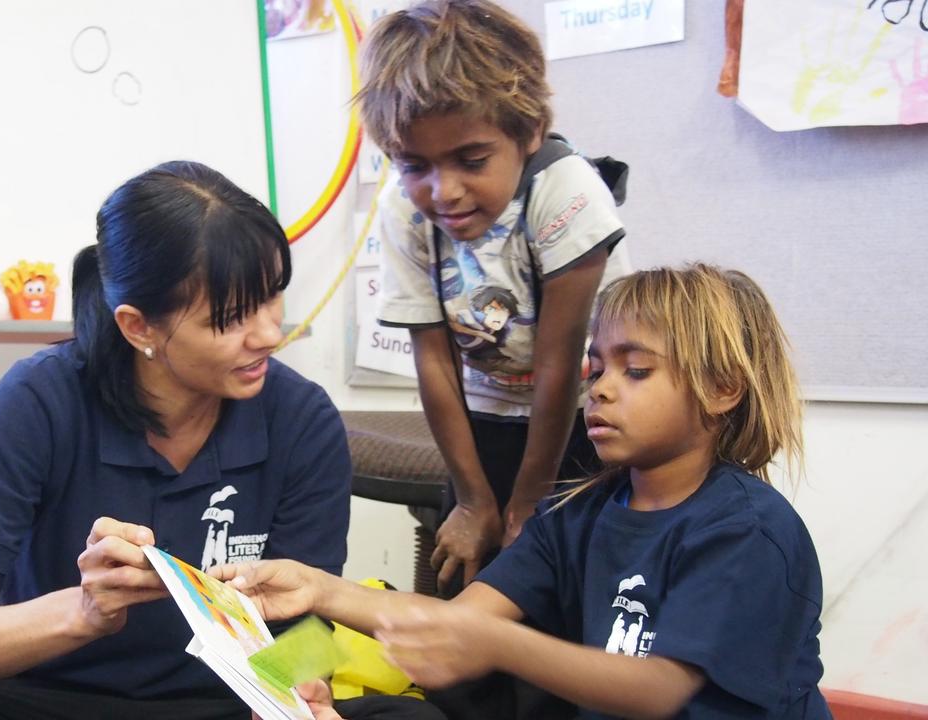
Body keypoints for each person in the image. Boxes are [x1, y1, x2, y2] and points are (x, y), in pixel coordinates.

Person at [0, 161, 438, 720]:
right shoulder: (40, 399)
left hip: (214, 708)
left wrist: (305, 690)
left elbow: (305, 630)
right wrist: (82, 612)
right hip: (38, 702)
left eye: (273, 299)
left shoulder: (301, 418)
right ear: (138, 326)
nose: (270, 333)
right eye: (232, 317)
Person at [215, 264, 831, 719]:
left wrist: (498, 644)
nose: (602, 389)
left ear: (724, 389)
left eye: (636, 370)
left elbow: (663, 689)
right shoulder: (580, 512)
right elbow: (460, 622)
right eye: (597, 367)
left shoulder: (745, 531)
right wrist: (318, 587)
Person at [361, 0, 631, 591]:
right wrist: (475, 499)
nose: (444, 191)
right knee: (470, 573)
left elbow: (562, 364)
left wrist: (530, 502)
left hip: (586, 418)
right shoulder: (402, 209)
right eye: (414, 165)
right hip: (487, 413)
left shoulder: (566, 193)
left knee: (563, 580)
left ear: (529, 131)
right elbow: (433, 358)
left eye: (471, 160)